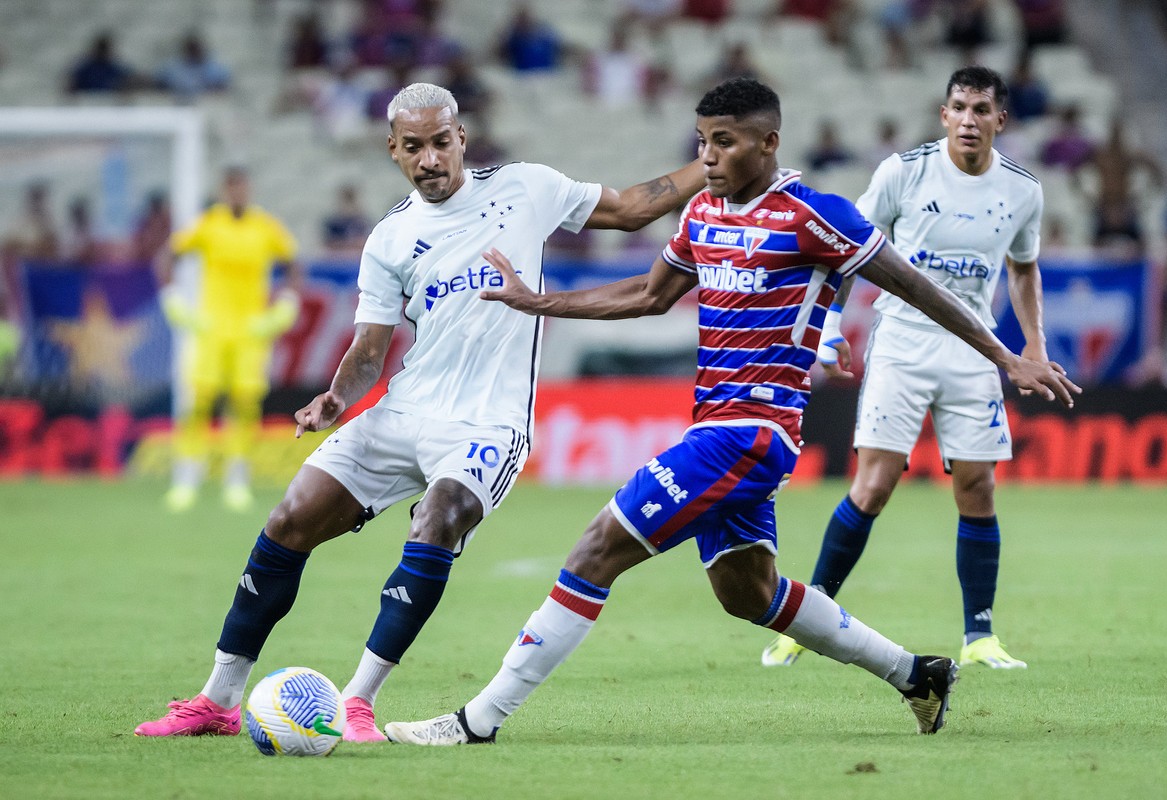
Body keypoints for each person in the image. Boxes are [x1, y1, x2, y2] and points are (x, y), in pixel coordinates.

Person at [382, 77, 1079, 747]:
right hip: (714, 427)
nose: (707, 157)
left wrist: (1005, 354)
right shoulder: (704, 213)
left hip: (754, 431)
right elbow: (649, 295)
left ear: (767, 143)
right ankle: (918, 675)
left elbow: (915, 285)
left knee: (596, 550)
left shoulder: (815, 215)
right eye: (701, 141)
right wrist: (542, 301)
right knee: (749, 593)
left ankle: (478, 719)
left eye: (723, 142)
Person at [134, 82, 706, 742]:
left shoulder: (527, 188)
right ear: (394, 151)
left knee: (439, 519)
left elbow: (635, 208)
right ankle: (217, 700)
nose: (430, 158)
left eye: (441, 143)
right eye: (414, 148)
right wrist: (337, 398)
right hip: (403, 411)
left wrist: (711, 165)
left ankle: (357, 700)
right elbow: (370, 350)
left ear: (461, 138)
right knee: (289, 519)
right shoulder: (391, 237)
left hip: (488, 424)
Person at [761, 66, 1054, 672]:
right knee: (874, 485)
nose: (968, 120)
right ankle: (807, 620)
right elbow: (846, 246)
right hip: (903, 342)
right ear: (943, 114)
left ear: (1001, 119)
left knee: (977, 488)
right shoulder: (905, 172)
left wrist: (1035, 346)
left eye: (980, 109)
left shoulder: (1023, 190)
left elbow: (1024, 269)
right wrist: (831, 324)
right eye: (958, 108)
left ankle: (980, 637)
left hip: (976, 349)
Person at [158, 167, 300, 513]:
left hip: (250, 331)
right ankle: (187, 477)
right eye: (231, 187)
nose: (237, 193)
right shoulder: (209, 224)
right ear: (225, 190)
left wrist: (285, 304)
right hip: (212, 328)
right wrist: (172, 296)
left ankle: (237, 479)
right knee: (200, 401)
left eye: (242, 187)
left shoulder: (265, 227)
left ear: (248, 189)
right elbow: (168, 257)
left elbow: (294, 266)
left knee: (245, 403)